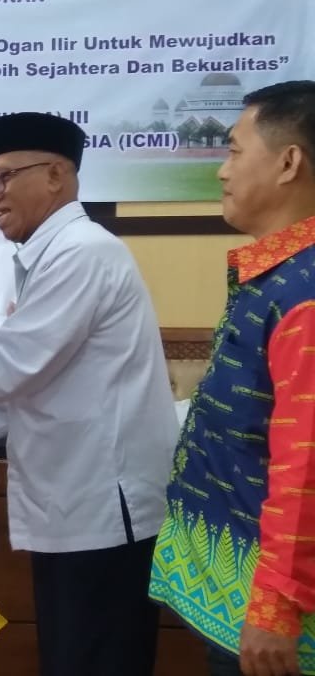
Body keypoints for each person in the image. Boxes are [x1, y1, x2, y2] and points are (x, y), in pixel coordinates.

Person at [0, 112, 179, 676]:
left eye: (4, 178)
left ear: (56, 175)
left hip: (103, 511)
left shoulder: (80, 254)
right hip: (73, 509)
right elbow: (18, 391)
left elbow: (5, 373)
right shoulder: (48, 255)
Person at [149, 81, 315, 676]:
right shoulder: (281, 275)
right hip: (235, 588)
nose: (222, 171)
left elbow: (305, 464)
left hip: (275, 618)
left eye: (235, 151)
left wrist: (274, 609)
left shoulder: (305, 292)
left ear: (289, 162)